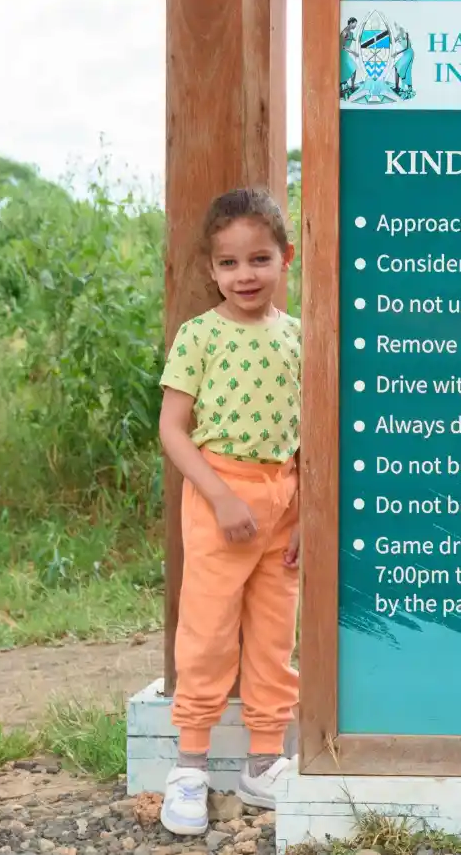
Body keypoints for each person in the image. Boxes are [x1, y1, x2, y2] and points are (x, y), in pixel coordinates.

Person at [156, 187, 304, 835]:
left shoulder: (302, 338)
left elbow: (310, 439)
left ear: (285, 258)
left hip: (285, 503)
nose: (245, 275)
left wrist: (302, 516)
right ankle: (189, 767)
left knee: (275, 637)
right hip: (222, 500)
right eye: (230, 264)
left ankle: (264, 761)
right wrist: (220, 496)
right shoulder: (201, 336)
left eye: (259, 259)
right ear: (211, 270)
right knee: (209, 633)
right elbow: (172, 429)